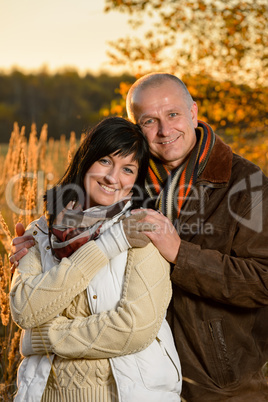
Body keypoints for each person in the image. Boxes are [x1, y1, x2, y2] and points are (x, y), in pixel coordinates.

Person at [10, 73, 268, 401]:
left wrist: (180, 254)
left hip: (219, 382)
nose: (164, 130)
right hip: (138, 375)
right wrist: (41, 241)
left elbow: (263, 280)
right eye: (149, 120)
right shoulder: (128, 175)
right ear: (136, 126)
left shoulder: (247, 184)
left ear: (193, 112)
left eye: (173, 114)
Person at [9, 116, 182, 402]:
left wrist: (45, 337)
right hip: (43, 394)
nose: (112, 177)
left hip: (124, 395)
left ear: (134, 182)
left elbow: (134, 328)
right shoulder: (41, 229)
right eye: (104, 161)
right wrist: (106, 247)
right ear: (85, 160)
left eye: (127, 169)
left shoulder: (141, 230)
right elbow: (24, 309)